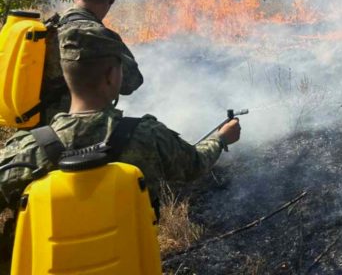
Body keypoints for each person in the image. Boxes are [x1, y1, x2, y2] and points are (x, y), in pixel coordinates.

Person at [0, 28, 241, 267]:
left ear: (66, 76)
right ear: (111, 76)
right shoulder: (147, 136)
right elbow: (195, 165)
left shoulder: (25, 150)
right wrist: (220, 139)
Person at [41, 0, 143, 122]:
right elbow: (131, 83)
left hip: (34, 130)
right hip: (72, 132)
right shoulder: (101, 38)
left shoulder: (46, 31)